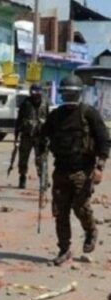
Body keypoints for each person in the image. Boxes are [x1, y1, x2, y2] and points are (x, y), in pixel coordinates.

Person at [40, 74, 109, 265]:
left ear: (79, 94)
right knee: (60, 212)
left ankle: (91, 231)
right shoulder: (56, 116)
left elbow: (104, 140)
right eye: (66, 94)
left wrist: (100, 166)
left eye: (72, 94)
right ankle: (64, 249)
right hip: (61, 170)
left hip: (82, 170)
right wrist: (40, 146)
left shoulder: (89, 114)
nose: (69, 98)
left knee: (80, 207)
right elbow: (44, 136)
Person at [14, 84, 49, 189]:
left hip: (40, 136)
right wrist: (16, 136)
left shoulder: (45, 103)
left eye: (38, 93)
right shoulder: (26, 103)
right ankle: (22, 177)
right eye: (34, 93)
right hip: (27, 136)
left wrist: (49, 135)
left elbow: (49, 120)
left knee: (41, 159)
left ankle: (43, 179)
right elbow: (19, 120)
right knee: (23, 158)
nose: (36, 95)